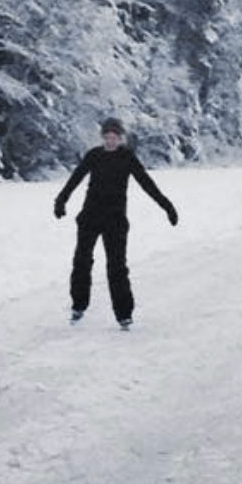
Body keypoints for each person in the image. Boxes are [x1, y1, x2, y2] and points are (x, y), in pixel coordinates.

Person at [53, 117, 178, 330]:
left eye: (114, 137)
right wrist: (61, 200)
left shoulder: (127, 157)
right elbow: (76, 178)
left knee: (117, 266)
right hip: (90, 216)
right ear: (102, 137)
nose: (110, 141)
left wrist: (167, 206)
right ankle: (78, 305)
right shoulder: (94, 155)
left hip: (115, 220)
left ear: (120, 138)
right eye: (107, 137)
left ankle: (124, 314)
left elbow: (146, 183)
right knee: (82, 261)